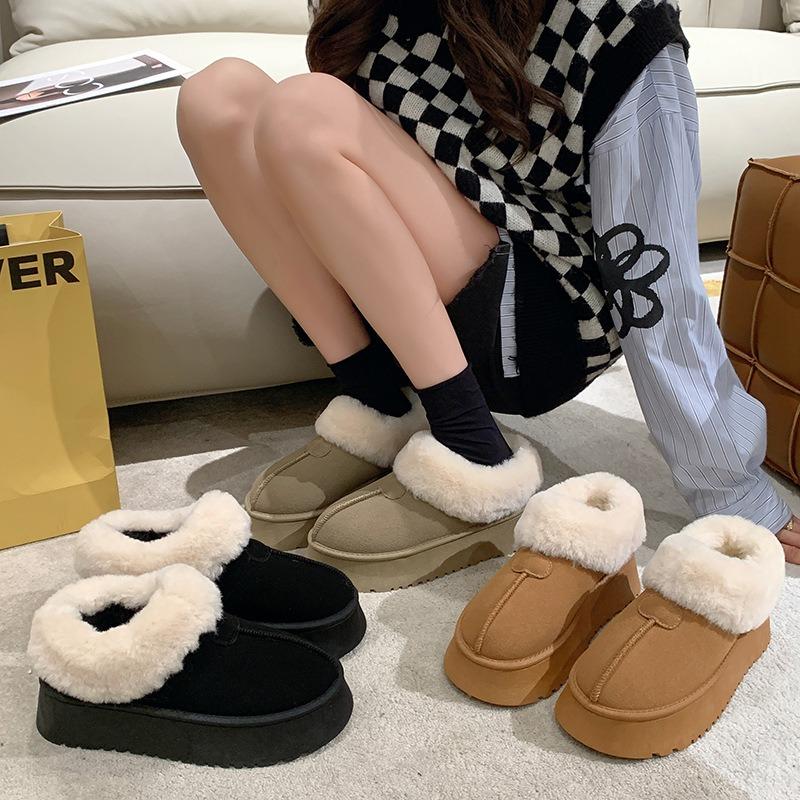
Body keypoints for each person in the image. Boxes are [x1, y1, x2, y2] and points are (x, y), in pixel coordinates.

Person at [176, 0, 798, 575]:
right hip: (399, 307)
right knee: (217, 97)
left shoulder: (614, 20)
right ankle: (376, 404)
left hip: (540, 315)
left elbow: (656, 278)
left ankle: (475, 451)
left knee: (305, 110)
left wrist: (731, 487)